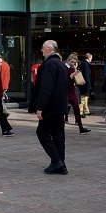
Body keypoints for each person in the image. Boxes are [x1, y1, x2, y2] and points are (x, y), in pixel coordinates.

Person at [32, 40, 69, 175]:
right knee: (58, 135)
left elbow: (46, 87)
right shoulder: (61, 64)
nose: (41, 51)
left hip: (50, 107)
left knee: (42, 132)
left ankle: (57, 160)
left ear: (48, 49)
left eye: (42, 48)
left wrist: (40, 107)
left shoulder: (50, 64)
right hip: (60, 107)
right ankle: (61, 165)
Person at [65, 56, 91, 134]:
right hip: (66, 91)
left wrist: (75, 70)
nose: (73, 63)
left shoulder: (72, 68)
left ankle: (81, 127)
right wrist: (75, 73)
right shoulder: (65, 68)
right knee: (62, 110)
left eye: (74, 62)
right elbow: (68, 77)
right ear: (68, 60)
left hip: (72, 91)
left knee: (77, 109)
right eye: (72, 62)